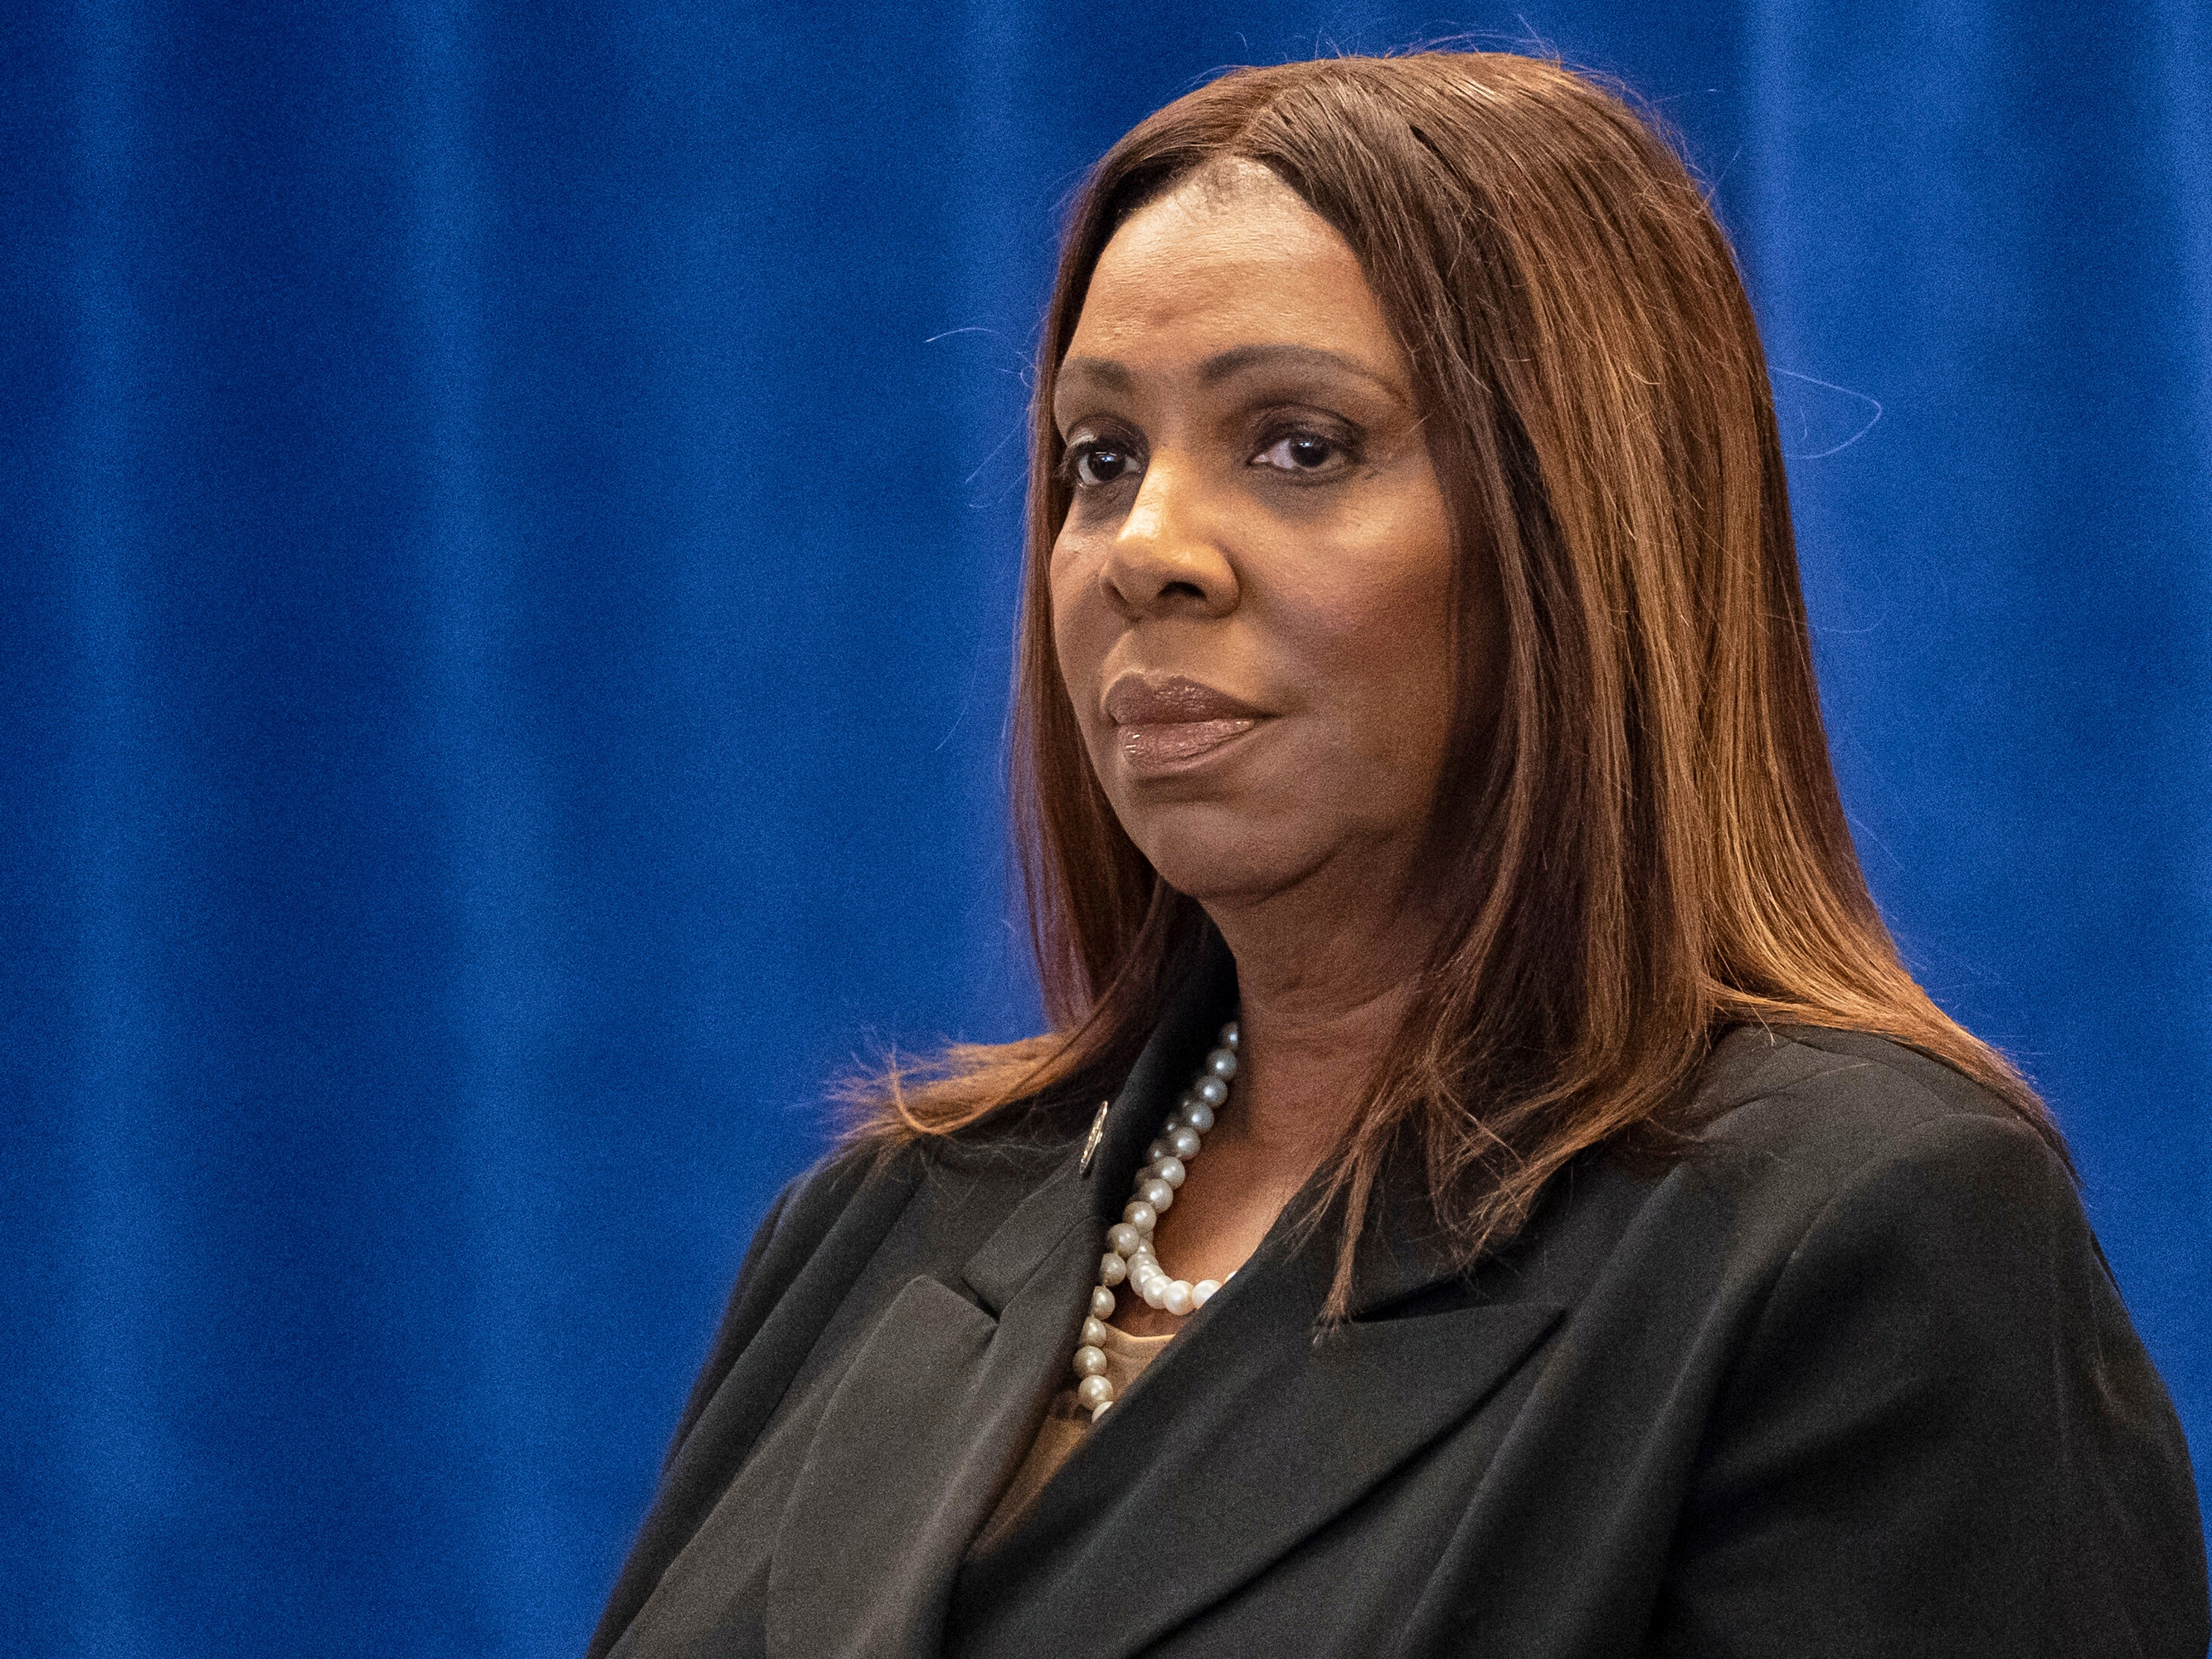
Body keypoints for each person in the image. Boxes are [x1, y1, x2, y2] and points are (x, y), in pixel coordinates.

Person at [587, 51, 2207, 1659]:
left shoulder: (1855, 1229)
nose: (1143, 549)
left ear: (1571, 532)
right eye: (1097, 458)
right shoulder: (875, 1227)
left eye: (1296, 444)